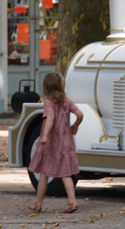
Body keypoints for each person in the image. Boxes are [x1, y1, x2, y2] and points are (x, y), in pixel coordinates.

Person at [27, 72, 83, 213]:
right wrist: (76, 125)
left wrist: (45, 135)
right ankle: (72, 201)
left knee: (44, 173)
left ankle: (38, 203)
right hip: (65, 142)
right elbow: (80, 114)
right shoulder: (67, 101)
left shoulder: (48, 102)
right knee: (65, 173)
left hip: (52, 143)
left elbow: (50, 118)